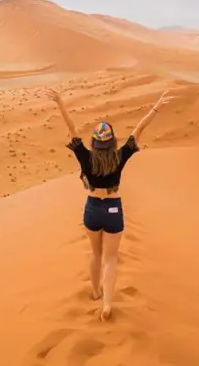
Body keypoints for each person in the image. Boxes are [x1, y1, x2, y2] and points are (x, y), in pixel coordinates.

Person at [46, 87, 174, 321]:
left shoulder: (85, 156)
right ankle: (107, 303)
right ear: (112, 141)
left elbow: (72, 128)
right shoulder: (120, 156)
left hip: (92, 208)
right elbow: (139, 129)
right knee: (111, 258)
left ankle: (96, 291)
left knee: (95, 253)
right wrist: (156, 107)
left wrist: (60, 103)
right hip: (113, 210)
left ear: (94, 143)